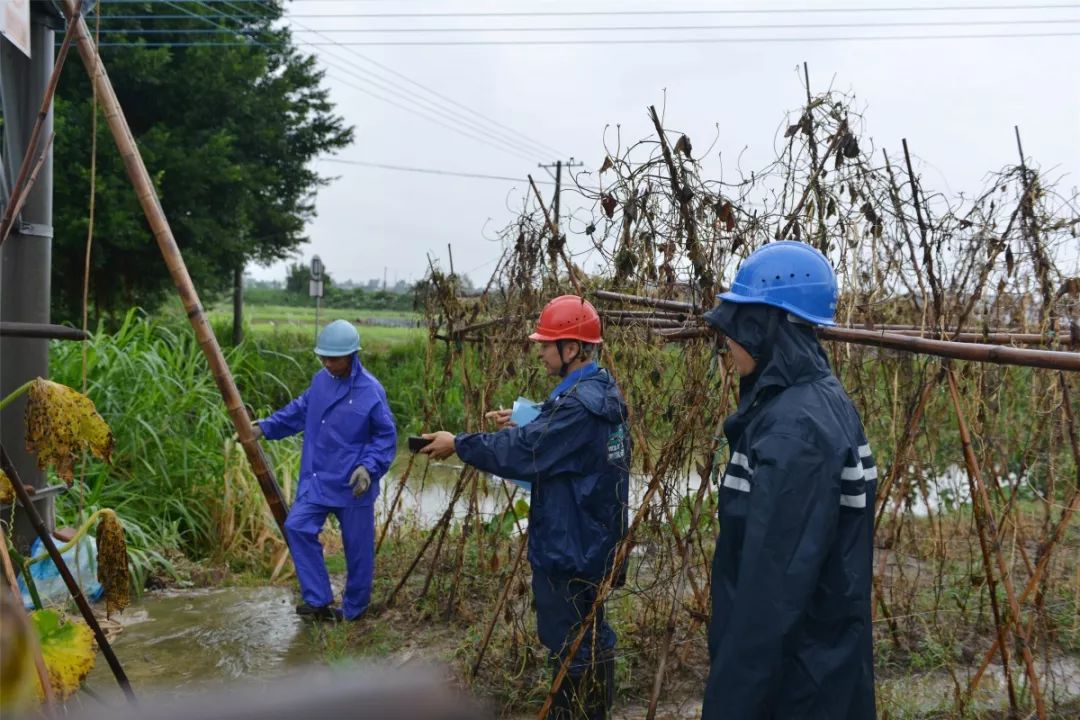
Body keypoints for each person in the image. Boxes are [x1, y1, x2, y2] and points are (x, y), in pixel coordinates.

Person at [421, 295, 630, 720]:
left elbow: (527, 451)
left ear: (571, 349)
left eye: (546, 344)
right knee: (587, 636)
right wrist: (528, 416)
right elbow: (563, 444)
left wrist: (459, 444)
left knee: (572, 644)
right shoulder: (599, 390)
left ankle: (577, 714)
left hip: (569, 546)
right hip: (594, 540)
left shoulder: (579, 405)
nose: (540, 351)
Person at [701, 241, 877, 719]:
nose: (729, 343)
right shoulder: (817, 401)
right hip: (818, 668)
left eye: (736, 328)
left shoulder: (794, 429)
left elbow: (772, 592)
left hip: (795, 685)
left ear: (764, 328)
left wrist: (730, 702)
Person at [251, 319, 397, 621]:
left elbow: (385, 437)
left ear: (352, 355)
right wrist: (264, 428)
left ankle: (354, 612)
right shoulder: (320, 381)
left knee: (358, 552)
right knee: (297, 527)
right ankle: (318, 599)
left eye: (334, 358)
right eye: (324, 358)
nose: (328, 363)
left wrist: (368, 469)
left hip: (353, 484)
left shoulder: (371, 391)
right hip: (318, 479)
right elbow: (299, 411)